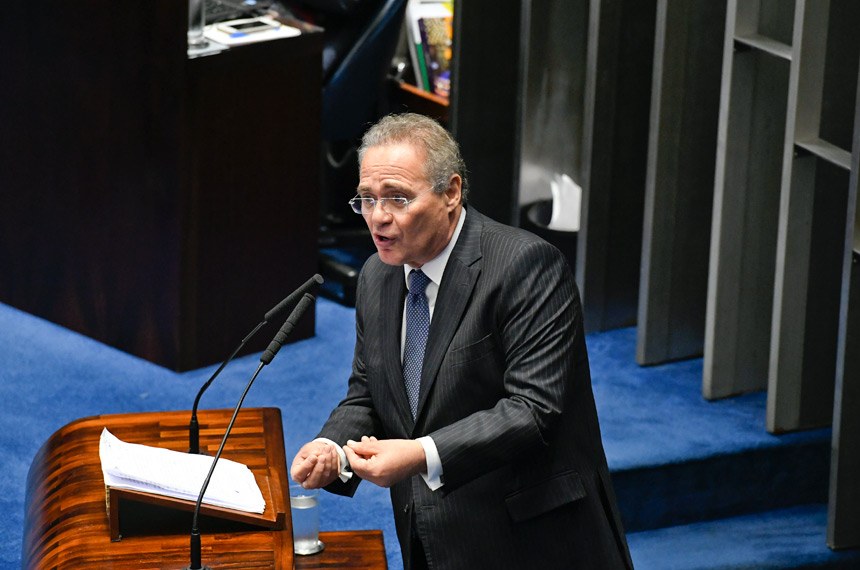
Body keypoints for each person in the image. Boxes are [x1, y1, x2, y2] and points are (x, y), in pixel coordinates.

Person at [290, 113, 632, 569]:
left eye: (398, 198)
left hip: (530, 539)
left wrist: (419, 454)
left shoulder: (525, 267)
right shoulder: (377, 275)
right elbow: (369, 392)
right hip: (432, 538)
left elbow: (534, 411)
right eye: (367, 199)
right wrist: (333, 449)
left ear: (451, 192)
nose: (379, 217)